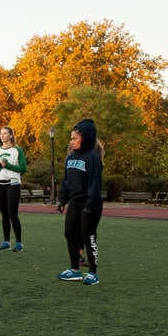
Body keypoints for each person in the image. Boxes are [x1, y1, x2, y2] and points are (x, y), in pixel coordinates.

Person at [55, 119, 104, 286]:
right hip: (75, 203)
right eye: (71, 138)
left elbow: (94, 184)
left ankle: (93, 273)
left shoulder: (92, 158)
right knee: (69, 233)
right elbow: (67, 182)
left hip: (90, 205)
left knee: (88, 236)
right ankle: (74, 270)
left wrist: (90, 205)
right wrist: (62, 200)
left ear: (86, 139)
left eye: (74, 138)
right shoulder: (70, 157)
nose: (71, 141)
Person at [0, 126, 27, 251]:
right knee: (4, 214)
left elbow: (23, 168)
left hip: (13, 184)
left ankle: (18, 243)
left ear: (11, 135)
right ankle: (6, 241)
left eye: (5, 133)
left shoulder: (17, 150)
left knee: (12, 213)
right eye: (1, 133)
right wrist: (0, 165)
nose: (2, 135)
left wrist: (9, 165)